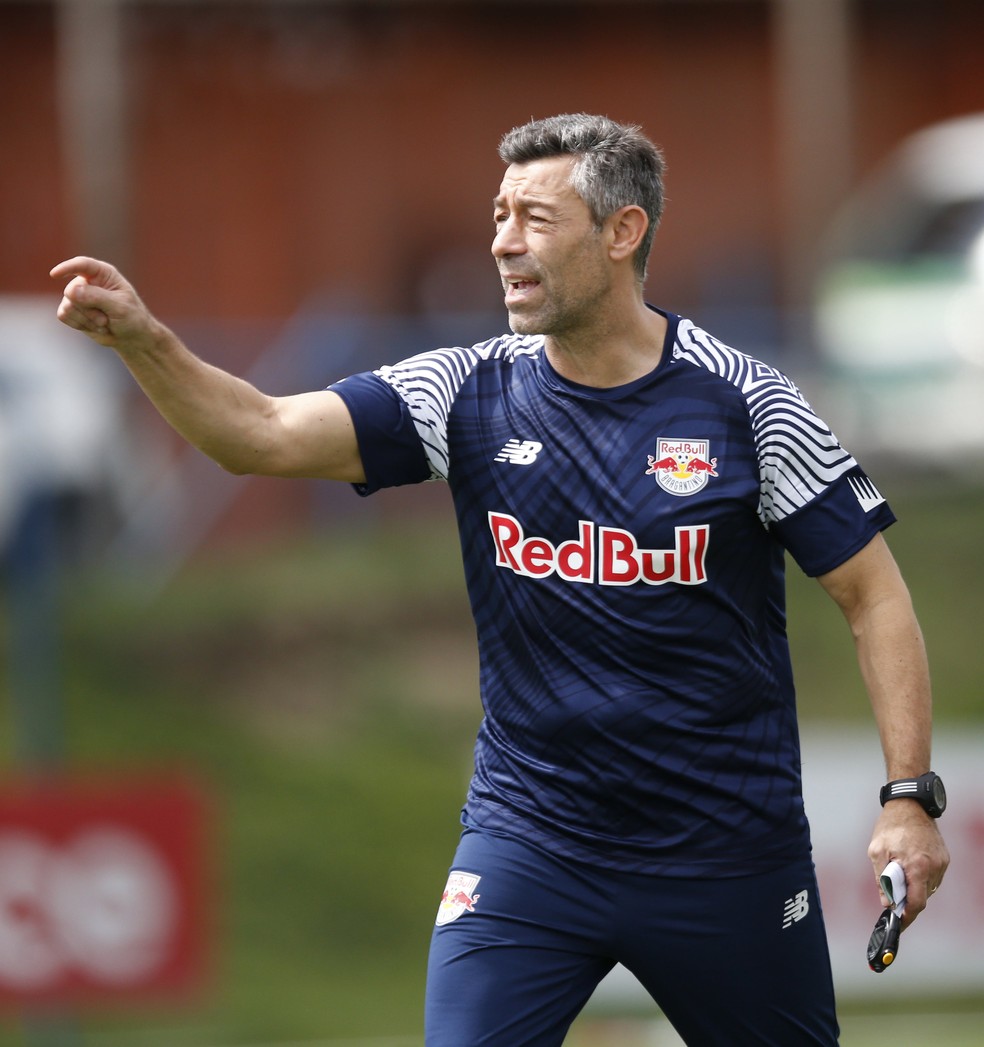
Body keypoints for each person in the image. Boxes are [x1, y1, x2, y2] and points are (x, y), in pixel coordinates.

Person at [51, 113, 948, 1046]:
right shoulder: (465, 391)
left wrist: (907, 796)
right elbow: (263, 434)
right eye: (498, 214)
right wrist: (145, 341)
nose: (502, 241)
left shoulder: (748, 403)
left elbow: (874, 597)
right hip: (531, 843)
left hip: (723, 855)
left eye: (534, 218)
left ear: (622, 232)